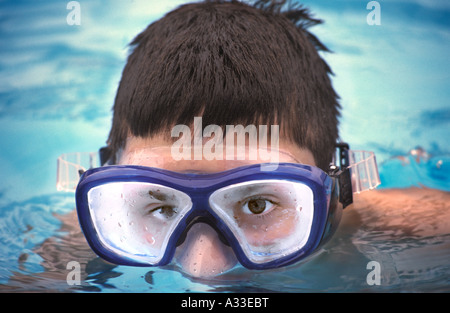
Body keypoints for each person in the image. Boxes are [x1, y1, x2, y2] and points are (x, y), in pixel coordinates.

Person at [64, 0, 381, 279]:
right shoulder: (84, 239)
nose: (202, 270)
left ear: (335, 195)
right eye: (160, 205)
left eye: (257, 205)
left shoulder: (402, 229)